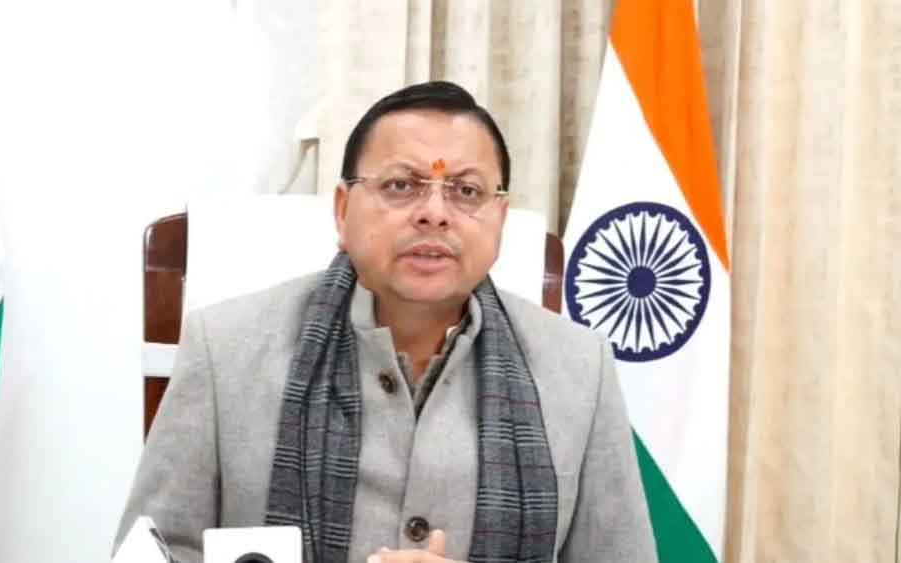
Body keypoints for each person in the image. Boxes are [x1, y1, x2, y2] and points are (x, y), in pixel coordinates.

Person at [115, 81, 657, 563]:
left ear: (500, 219)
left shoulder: (579, 369)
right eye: (401, 185)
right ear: (342, 209)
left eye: (467, 191)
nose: (434, 213)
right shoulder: (225, 349)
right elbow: (156, 552)